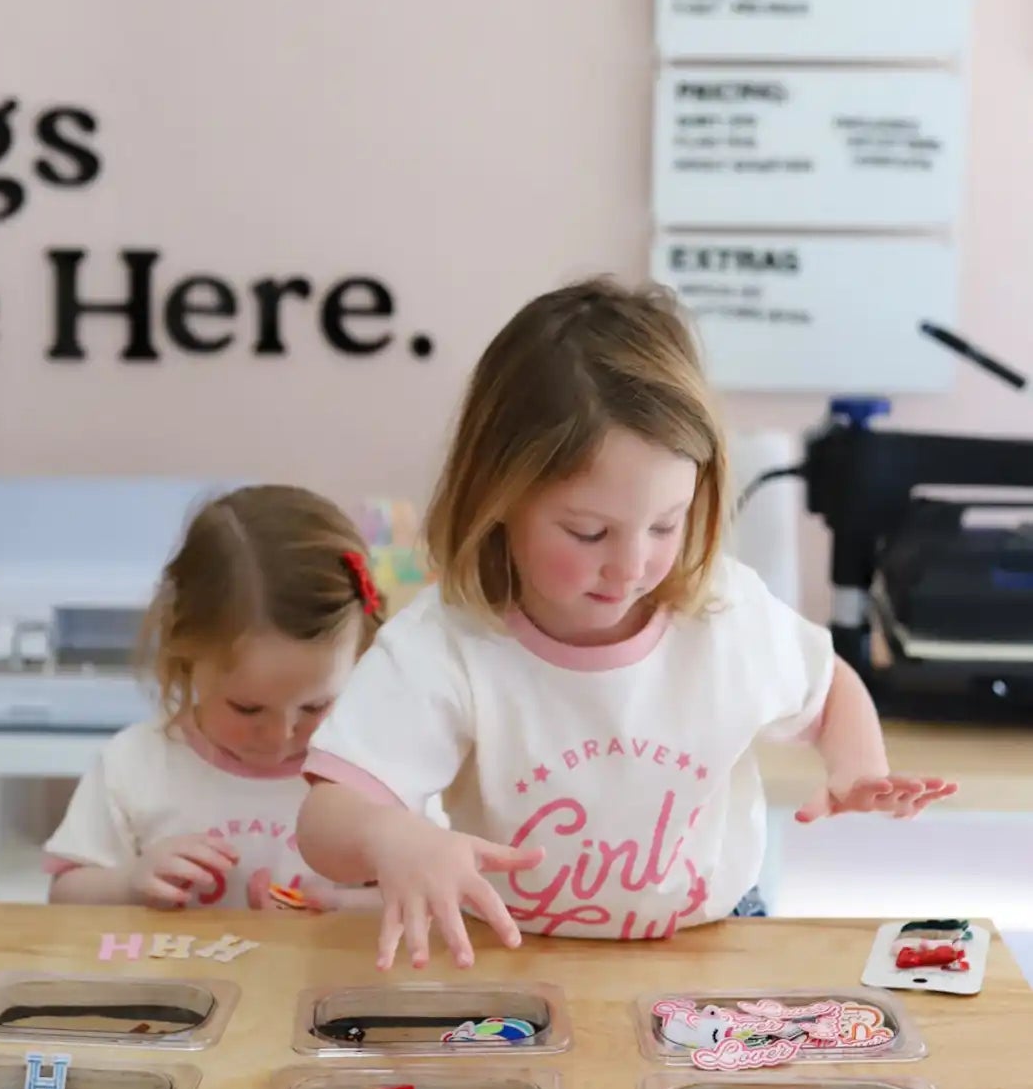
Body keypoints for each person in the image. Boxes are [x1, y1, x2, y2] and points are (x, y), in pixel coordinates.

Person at [298, 277, 955, 969]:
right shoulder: (449, 642)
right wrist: (388, 838)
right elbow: (325, 820)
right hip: (510, 952)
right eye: (587, 533)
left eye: (665, 524)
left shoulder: (722, 610)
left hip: (714, 935)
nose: (630, 567)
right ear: (497, 500)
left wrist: (856, 770)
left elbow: (828, 689)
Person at [46, 485, 383, 908]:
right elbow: (63, 898)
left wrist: (336, 906)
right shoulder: (137, 764)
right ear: (184, 654)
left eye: (315, 706)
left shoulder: (375, 772)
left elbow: (433, 903)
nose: (280, 735)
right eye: (247, 708)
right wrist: (130, 884)